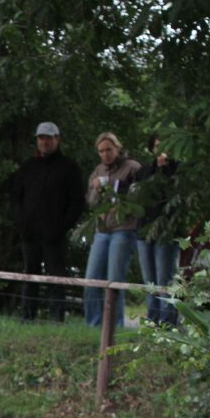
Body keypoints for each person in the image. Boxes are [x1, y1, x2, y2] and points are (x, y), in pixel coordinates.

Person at [8, 121, 86, 321]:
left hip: (54, 235)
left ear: (57, 139)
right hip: (30, 233)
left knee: (56, 276)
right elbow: (16, 197)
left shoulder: (69, 168)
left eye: (49, 138)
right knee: (29, 275)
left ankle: (57, 318)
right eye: (41, 138)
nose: (44, 142)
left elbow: (77, 202)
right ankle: (27, 316)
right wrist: (22, 223)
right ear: (37, 140)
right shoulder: (28, 167)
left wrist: (62, 227)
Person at [82, 132, 142, 327]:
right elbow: (90, 201)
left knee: (114, 280)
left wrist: (113, 185)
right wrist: (96, 190)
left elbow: (139, 196)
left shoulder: (132, 168)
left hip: (124, 228)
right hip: (102, 229)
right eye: (101, 151)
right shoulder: (98, 170)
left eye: (108, 149)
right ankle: (93, 324)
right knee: (91, 278)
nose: (105, 154)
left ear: (117, 148)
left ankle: (114, 327)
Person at [133, 135, 181, 326]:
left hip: (166, 231)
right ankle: (152, 319)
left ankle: (168, 321)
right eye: (158, 146)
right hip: (144, 230)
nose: (162, 151)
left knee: (165, 278)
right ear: (152, 149)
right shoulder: (145, 171)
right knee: (149, 280)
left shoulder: (177, 170)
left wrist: (166, 170)